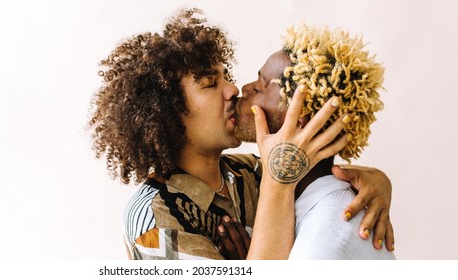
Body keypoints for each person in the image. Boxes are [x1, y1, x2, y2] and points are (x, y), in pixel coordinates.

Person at [88, 8, 393, 260]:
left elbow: (311, 175)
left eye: (228, 77)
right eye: (210, 83)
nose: (233, 90)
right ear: (168, 112)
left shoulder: (249, 173)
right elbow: (285, 175)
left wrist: (375, 179)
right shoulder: (155, 221)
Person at [229, 24, 395, 259]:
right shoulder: (309, 203)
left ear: (303, 119)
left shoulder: (323, 241)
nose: (243, 90)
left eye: (260, 86)